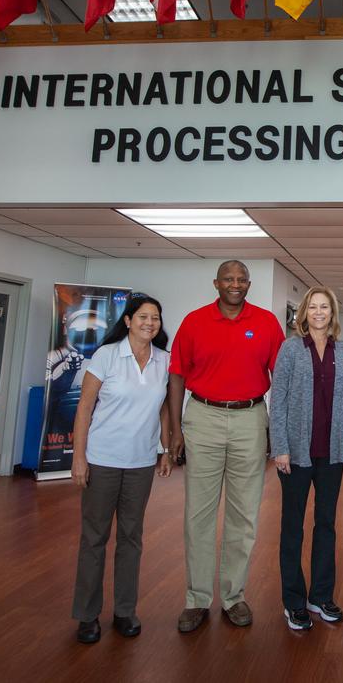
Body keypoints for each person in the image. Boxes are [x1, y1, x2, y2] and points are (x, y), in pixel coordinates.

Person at [166, 260, 284, 633]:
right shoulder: (194, 321)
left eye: (241, 279)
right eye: (228, 279)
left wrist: (276, 430)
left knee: (244, 513)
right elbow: (177, 375)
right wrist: (175, 428)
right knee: (198, 514)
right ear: (216, 283)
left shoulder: (266, 322)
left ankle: (234, 596)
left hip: (250, 418)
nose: (235, 284)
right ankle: (197, 599)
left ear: (248, 284)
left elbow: (281, 378)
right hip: (203, 417)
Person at [69, 293, 173, 645]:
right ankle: (87, 615)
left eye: (155, 318)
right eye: (143, 317)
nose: (150, 323)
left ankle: (125, 610)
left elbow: (161, 409)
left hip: (141, 462)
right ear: (128, 321)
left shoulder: (163, 360)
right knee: (94, 538)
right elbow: (84, 408)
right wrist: (78, 457)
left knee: (131, 538)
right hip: (102, 460)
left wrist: (163, 450)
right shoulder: (107, 355)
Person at [269, 286, 343, 631]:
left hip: (332, 452)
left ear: (332, 312)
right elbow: (277, 400)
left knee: (326, 525)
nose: (319, 313)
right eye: (314, 307)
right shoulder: (291, 348)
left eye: (325, 307)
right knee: (292, 527)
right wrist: (279, 446)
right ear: (304, 313)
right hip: (295, 453)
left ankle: (320, 596)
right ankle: (293, 601)